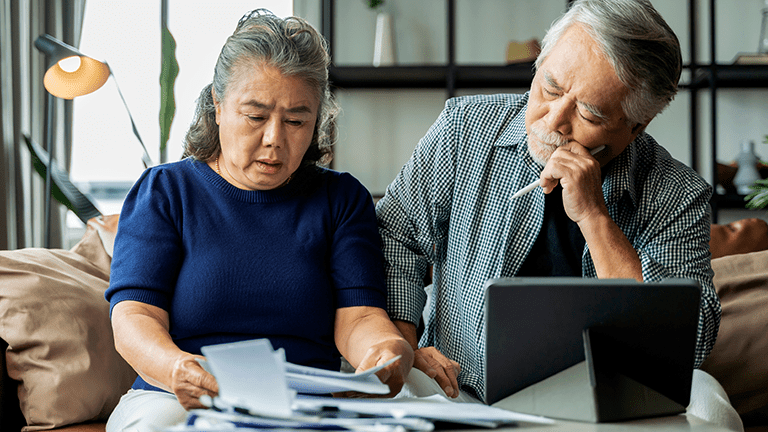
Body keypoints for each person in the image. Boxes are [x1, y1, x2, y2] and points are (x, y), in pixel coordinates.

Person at [378, 0, 740, 430]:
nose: (554, 120)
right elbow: (395, 235)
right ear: (540, 63)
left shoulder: (677, 193)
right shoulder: (464, 128)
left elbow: (689, 344)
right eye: (550, 88)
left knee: (712, 406)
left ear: (636, 127)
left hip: (613, 403)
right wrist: (405, 342)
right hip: (460, 385)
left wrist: (594, 216)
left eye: (589, 113)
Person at [105, 10, 413, 432]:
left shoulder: (340, 199)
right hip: (174, 395)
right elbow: (134, 317)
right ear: (217, 105)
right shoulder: (166, 191)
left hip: (305, 403)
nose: (274, 138)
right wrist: (175, 367)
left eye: (296, 121)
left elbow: (359, 318)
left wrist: (383, 351)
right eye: (255, 116)